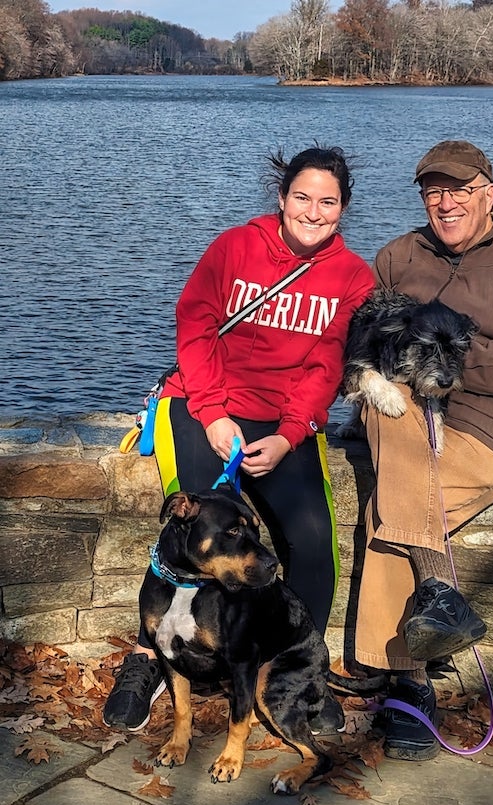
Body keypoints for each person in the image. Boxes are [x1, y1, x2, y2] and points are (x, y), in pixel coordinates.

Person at [104, 145, 375, 735]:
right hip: (205, 406)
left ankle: (298, 674)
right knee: (189, 531)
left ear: (343, 209)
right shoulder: (235, 246)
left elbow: (326, 366)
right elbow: (195, 325)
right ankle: (150, 658)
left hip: (285, 422)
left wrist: (289, 436)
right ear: (281, 199)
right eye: (301, 197)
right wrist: (213, 412)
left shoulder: (354, 277)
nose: (312, 210)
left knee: (310, 541)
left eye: (327, 202)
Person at [350, 140, 493, 761]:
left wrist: (440, 354)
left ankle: (404, 680)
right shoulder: (399, 255)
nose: (444, 203)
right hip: (405, 419)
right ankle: (431, 614)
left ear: (487, 191)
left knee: (387, 512)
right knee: (385, 413)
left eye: (458, 190)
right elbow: (362, 336)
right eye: (433, 192)